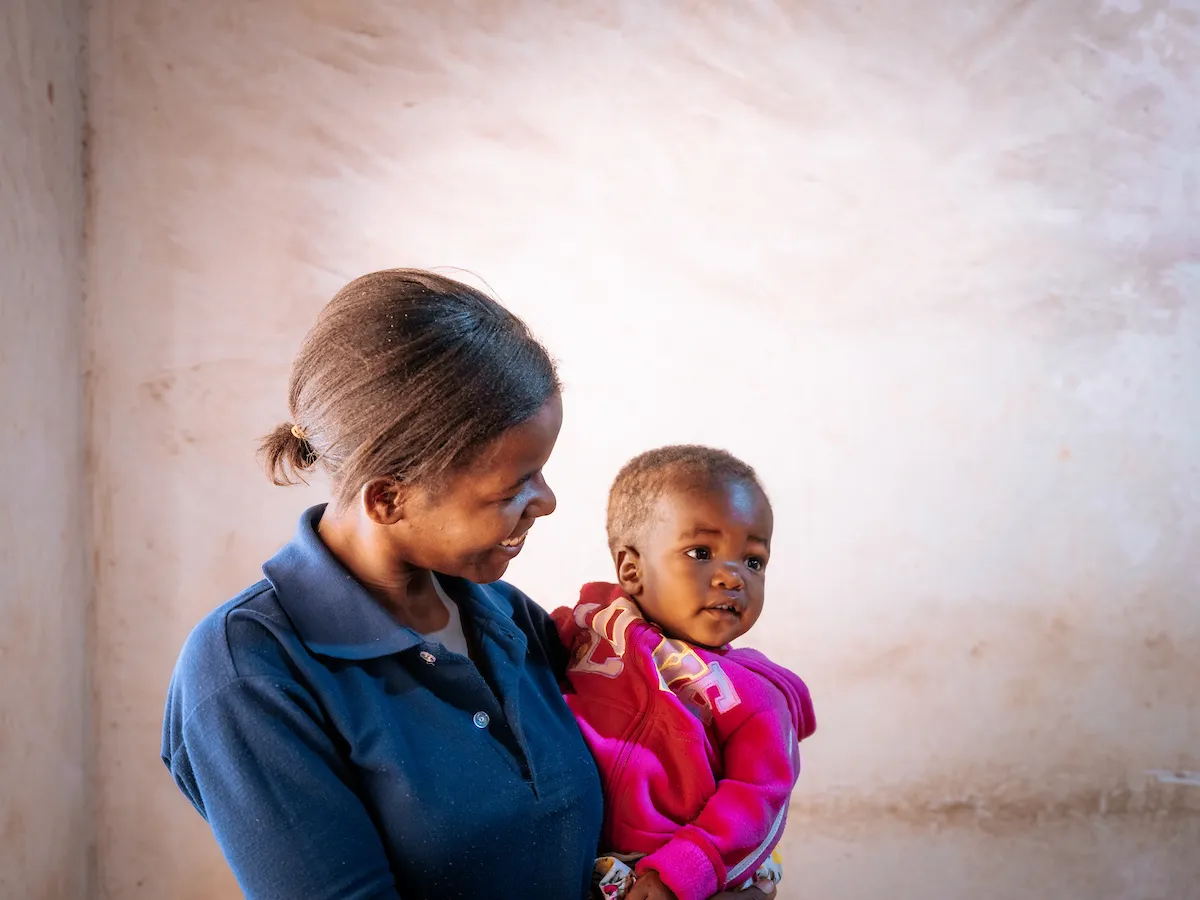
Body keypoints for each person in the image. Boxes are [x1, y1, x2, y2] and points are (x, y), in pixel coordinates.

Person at [160, 269, 773, 900]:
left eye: (541, 472)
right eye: (513, 489)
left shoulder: (512, 621)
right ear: (388, 499)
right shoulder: (249, 675)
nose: (548, 502)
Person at [553, 446, 817, 900]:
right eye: (701, 552)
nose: (734, 577)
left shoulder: (754, 697)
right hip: (580, 857)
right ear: (631, 569)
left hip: (682, 870)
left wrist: (683, 871)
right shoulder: (586, 627)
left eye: (753, 561)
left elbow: (759, 798)